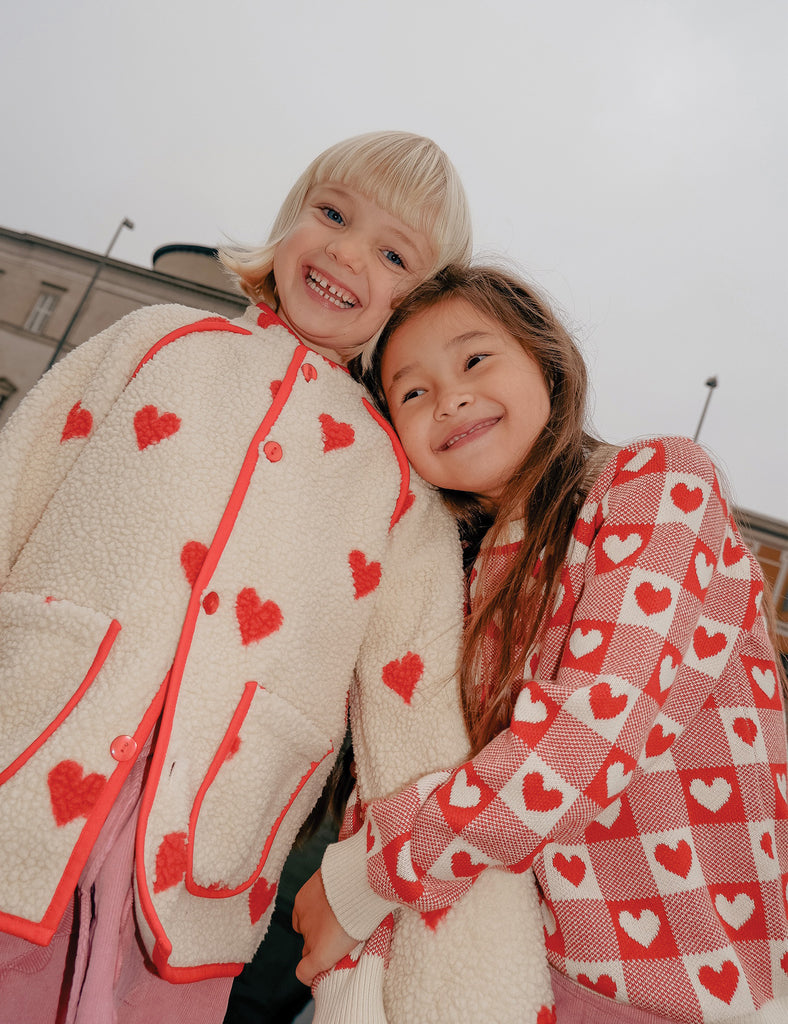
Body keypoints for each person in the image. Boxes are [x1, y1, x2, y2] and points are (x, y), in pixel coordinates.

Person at [0, 131, 475, 1024]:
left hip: (199, 864)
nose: (342, 252)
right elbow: (12, 490)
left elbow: (414, 717)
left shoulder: (395, 493)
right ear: (291, 215)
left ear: (420, 302)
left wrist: (377, 888)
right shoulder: (157, 343)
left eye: (391, 252)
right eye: (332, 214)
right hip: (21, 774)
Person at [293, 264, 788, 1023]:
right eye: (412, 392)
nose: (449, 396)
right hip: (509, 979)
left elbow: (584, 741)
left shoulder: (656, 484)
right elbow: (409, 764)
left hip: (684, 989)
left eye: (474, 359)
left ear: (545, 359)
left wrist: (363, 875)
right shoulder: (454, 575)